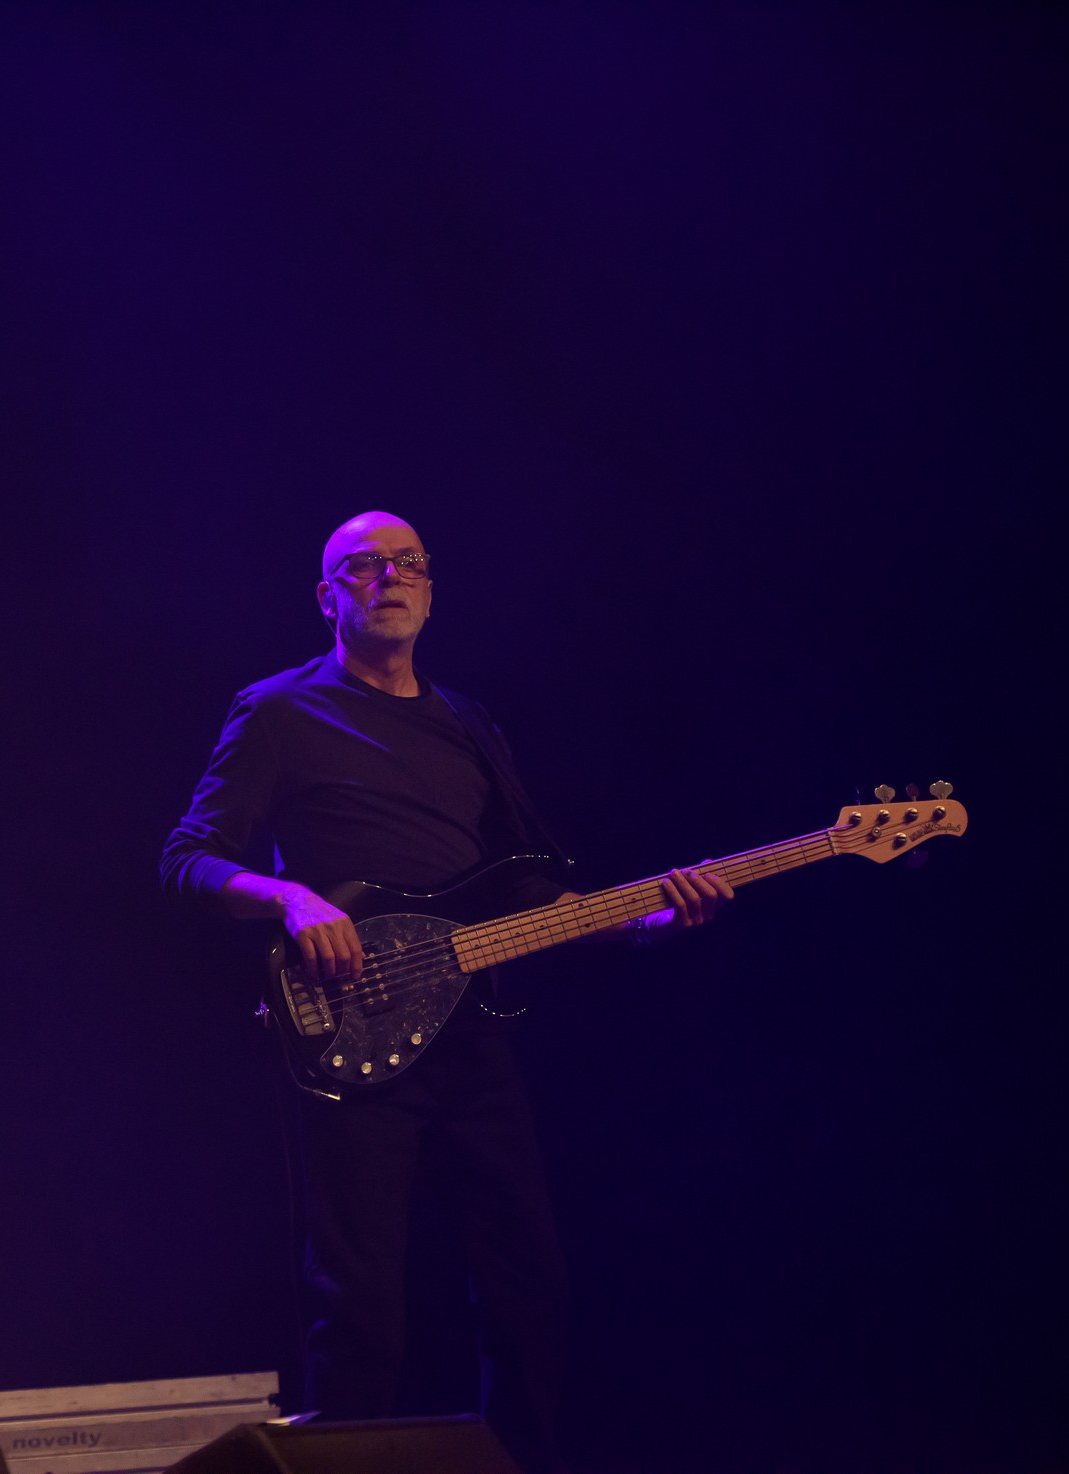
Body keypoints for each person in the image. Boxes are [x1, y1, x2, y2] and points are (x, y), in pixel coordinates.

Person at [160, 512, 730, 1473]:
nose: (391, 576)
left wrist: (643, 920)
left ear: (430, 590)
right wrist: (292, 898)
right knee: (360, 1308)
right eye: (365, 565)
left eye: (409, 563)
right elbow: (189, 859)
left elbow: (526, 893)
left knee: (530, 1287)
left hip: (470, 1040)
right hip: (346, 1034)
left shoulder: (469, 723)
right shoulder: (278, 710)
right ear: (328, 596)